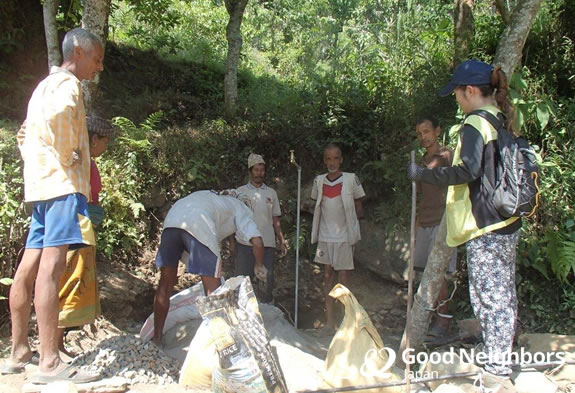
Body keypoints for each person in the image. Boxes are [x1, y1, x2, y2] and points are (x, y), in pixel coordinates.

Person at [408, 60, 522, 383]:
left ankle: (497, 367)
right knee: (504, 293)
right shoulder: (499, 118)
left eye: (457, 94)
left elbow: (468, 170)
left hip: (485, 224)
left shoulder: (474, 123)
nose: (456, 101)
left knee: (489, 295)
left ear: (470, 91)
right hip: (507, 220)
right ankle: (498, 352)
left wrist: (424, 174)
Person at [2, 28, 104, 383]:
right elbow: (62, 117)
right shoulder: (67, 85)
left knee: (29, 266)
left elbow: (23, 133)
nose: (99, 66)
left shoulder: (41, 87)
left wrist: (40, 161)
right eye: (96, 58)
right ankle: (49, 362)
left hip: (40, 187)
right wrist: (69, 156)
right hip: (62, 187)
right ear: (78, 51)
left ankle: (18, 352)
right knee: (52, 268)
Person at [152, 190, 267, 346]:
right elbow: (258, 242)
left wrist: (232, 245)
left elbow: (226, 228)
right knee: (214, 291)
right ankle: (221, 344)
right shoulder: (242, 207)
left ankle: (156, 339)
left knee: (165, 284)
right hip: (198, 224)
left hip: (171, 222)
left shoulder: (214, 198)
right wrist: (259, 265)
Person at [57, 116, 115, 359]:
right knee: (70, 279)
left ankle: (57, 344)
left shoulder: (88, 163)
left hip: (83, 224)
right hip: (75, 226)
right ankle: (55, 345)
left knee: (74, 280)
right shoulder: (81, 163)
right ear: (94, 139)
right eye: (105, 141)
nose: (106, 146)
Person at [311, 143, 365, 334]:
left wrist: (353, 229)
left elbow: (359, 204)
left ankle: (346, 321)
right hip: (325, 237)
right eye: (328, 159)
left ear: (341, 160)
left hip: (344, 237)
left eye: (335, 158)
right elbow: (317, 204)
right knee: (326, 277)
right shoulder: (319, 181)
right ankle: (329, 322)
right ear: (324, 161)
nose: (332, 162)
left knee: (343, 280)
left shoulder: (351, 179)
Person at [413, 115, 457, 337]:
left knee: (437, 271)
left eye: (427, 132)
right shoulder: (421, 161)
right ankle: (432, 316)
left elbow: (438, 175)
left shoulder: (446, 155)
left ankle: (444, 320)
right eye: (420, 134)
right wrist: (416, 225)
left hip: (443, 221)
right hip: (425, 221)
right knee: (425, 272)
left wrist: (419, 173)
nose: (423, 137)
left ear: (437, 131)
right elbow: (421, 196)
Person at [234, 153, 287, 303]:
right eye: (256, 170)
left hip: (268, 245)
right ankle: (242, 317)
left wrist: (281, 240)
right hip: (245, 244)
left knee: (266, 282)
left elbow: (275, 219)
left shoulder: (271, 193)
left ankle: (266, 314)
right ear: (250, 171)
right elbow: (233, 219)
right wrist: (232, 243)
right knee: (242, 283)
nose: (259, 173)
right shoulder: (240, 192)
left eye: (262, 170)